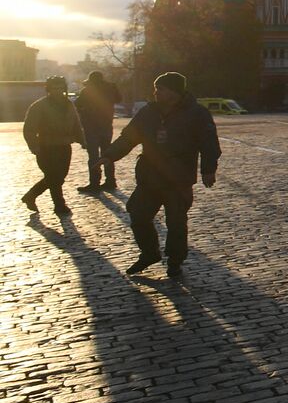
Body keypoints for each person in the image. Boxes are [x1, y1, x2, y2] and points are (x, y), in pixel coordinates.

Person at [101, 72, 220, 278]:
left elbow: (209, 143)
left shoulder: (197, 113)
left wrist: (208, 170)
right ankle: (149, 253)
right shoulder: (148, 112)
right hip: (150, 176)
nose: (156, 92)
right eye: (156, 88)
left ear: (174, 91)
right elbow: (128, 137)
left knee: (176, 223)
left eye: (161, 88)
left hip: (178, 178)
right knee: (138, 215)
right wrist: (110, 155)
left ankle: (175, 261)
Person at [21, 76, 86, 216]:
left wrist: (82, 140)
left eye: (60, 88)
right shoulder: (39, 106)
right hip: (46, 147)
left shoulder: (69, 104)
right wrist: (34, 146)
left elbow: (76, 124)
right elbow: (29, 128)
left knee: (59, 177)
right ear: (48, 89)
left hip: (64, 146)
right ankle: (60, 206)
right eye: (54, 88)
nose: (57, 91)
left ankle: (30, 196)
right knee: (53, 177)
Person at [75, 70, 121, 193]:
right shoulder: (111, 89)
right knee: (107, 154)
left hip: (91, 127)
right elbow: (119, 99)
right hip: (106, 125)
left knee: (93, 156)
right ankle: (110, 181)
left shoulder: (87, 91)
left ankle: (94, 183)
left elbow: (77, 104)